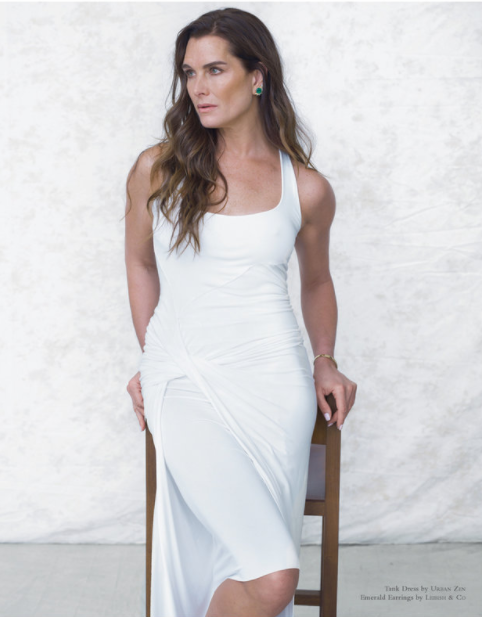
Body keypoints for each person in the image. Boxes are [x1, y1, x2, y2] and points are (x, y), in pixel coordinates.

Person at [125, 7, 357, 617]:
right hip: (182, 375)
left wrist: (325, 359)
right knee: (275, 576)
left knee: (260, 563)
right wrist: (151, 355)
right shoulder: (157, 169)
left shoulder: (305, 187)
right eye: (189, 73)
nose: (198, 87)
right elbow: (141, 265)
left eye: (215, 70)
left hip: (275, 385)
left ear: (257, 77)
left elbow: (317, 282)